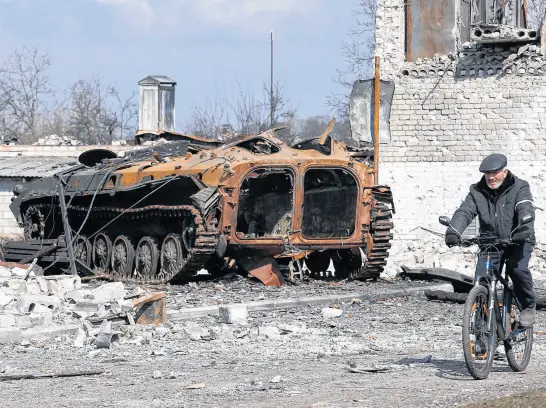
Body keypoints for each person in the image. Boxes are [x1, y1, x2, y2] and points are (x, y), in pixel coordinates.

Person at [444, 153, 537, 327]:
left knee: (518, 270)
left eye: (495, 173)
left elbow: (525, 208)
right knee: (482, 281)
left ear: (505, 172)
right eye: (488, 174)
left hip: (518, 239)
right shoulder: (477, 191)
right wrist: (453, 231)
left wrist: (523, 230)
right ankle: (482, 334)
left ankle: (527, 307)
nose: (491, 177)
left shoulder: (520, 187)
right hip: (490, 242)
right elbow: (465, 211)